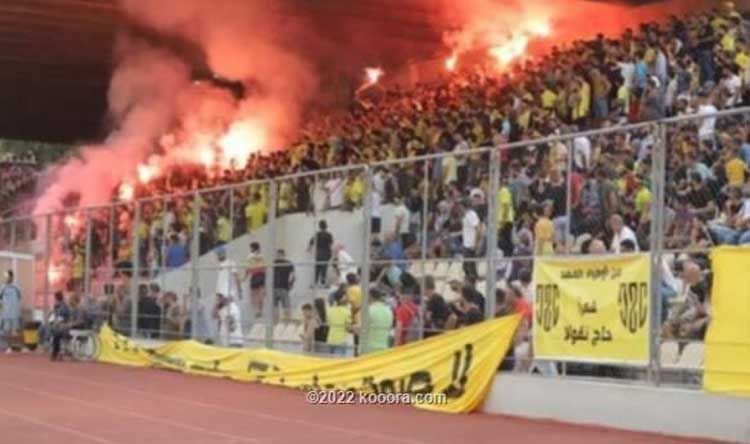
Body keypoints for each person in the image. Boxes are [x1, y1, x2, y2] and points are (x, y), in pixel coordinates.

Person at [0, 270, 23, 353]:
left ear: (12, 277)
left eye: (8, 276)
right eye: (6, 277)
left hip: (15, 312)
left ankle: (19, 346)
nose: (7, 278)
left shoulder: (16, 287)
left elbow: (19, 297)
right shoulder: (2, 287)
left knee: (17, 330)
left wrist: (16, 306)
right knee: (7, 330)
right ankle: (9, 347)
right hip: (6, 313)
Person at [367, 287, 394, 353]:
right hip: (384, 347)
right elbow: (390, 326)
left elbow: (363, 329)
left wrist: (352, 328)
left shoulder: (369, 310)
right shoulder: (388, 310)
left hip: (369, 348)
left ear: (370, 296)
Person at [308, 220, 333, 288]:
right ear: (326, 226)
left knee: (317, 268)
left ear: (319, 226)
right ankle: (323, 283)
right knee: (324, 268)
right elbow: (330, 245)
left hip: (319, 253)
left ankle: (315, 283)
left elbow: (311, 242)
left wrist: (309, 249)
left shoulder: (317, 234)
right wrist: (332, 253)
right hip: (326, 253)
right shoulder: (328, 235)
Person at [272, 249, 295, 320]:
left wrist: (290, 284)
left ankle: (282, 321)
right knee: (281, 307)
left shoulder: (274, 263)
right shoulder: (274, 263)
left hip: (280, 288)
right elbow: (293, 276)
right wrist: (291, 284)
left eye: (279, 255)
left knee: (282, 307)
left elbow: (293, 276)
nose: (278, 256)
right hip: (278, 288)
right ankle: (281, 321)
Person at [245, 242, 265, 318]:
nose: (250, 249)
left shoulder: (250, 256)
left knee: (254, 294)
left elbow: (248, 268)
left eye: (250, 248)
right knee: (260, 295)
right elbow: (265, 267)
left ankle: (256, 310)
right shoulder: (262, 256)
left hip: (255, 275)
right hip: (262, 275)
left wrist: (244, 277)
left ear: (253, 248)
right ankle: (260, 310)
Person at [50, 291, 71, 361]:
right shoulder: (56, 306)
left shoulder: (64, 306)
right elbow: (55, 316)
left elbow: (64, 317)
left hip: (64, 325)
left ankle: (56, 352)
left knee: (57, 333)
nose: (54, 300)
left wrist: (57, 321)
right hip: (58, 325)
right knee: (50, 330)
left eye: (55, 298)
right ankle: (56, 352)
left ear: (57, 298)